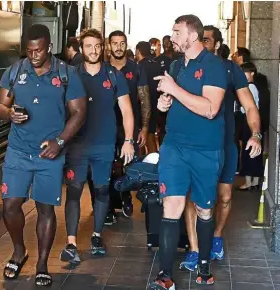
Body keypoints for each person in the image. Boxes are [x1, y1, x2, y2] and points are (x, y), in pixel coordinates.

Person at [0, 24, 87, 287]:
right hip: (18, 151)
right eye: (29, 50)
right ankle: (19, 250)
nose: (33, 55)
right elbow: (0, 104)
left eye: (38, 50)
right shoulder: (15, 71)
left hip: (50, 154)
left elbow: (80, 113)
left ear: (49, 47)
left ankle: (42, 264)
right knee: (10, 205)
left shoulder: (66, 74)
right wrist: (9, 114)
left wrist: (59, 141)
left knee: (45, 208)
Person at [149, 15, 227, 289]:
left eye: (177, 31)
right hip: (174, 147)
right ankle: (165, 275)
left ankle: (203, 264)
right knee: (172, 205)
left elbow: (210, 109)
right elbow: (174, 99)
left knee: (204, 209)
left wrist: (174, 89)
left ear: (192, 36)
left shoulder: (214, 66)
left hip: (205, 150)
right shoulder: (174, 65)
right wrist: (165, 102)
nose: (172, 35)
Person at [180, 25, 262, 272]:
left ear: (216, 44)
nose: (200, 44)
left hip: (224, 144)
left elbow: (249, 106)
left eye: (206, 40)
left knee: (224, 197)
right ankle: (194, 250)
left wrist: (256, 135)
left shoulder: (229, 69)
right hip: (193, 145)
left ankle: (215, 236)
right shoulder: (185, 66)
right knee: (193, 199)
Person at [60, 28, 135, 264]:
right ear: (82, 49)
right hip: (77, 146)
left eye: (97, 46)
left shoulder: (113, 75)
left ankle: (96, 235)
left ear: (103, 48)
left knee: (102, 190)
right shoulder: (71, 75)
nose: (93, 50)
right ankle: (71, 242)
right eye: (88, 46)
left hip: (104, 145)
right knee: (73, 192)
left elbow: (126, 111)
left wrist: (129, 140)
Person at [107, 30, 151, 221]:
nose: (118, 47)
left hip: (129, 126)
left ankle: (125, 196)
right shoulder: (102, 69)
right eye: (114, 43)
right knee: (107, 165)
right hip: (106, 125)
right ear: (109, 45)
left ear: (126, 45)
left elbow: (145, 99)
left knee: (128, 165)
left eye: (122, 43)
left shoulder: (136, 68)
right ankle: (108, 206)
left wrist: (144, 128)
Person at [238, 62, 265, 190]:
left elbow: (249, 107)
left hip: (249, 121)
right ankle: (254, 182)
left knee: (248, 151)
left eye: (245, 72)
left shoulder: (249, 87)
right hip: (256, 122)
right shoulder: (258, 86)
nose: (242, 75)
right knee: (255, 152)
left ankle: (249, 182)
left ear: (252, 73)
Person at [135, 41, 162, 153]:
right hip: (158, 105)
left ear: (137, 51)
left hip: (143, 107)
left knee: (142, 137)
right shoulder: (156, 64)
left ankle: (142, 164)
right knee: (151, 135)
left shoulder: (139, 66)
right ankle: (154, 162)